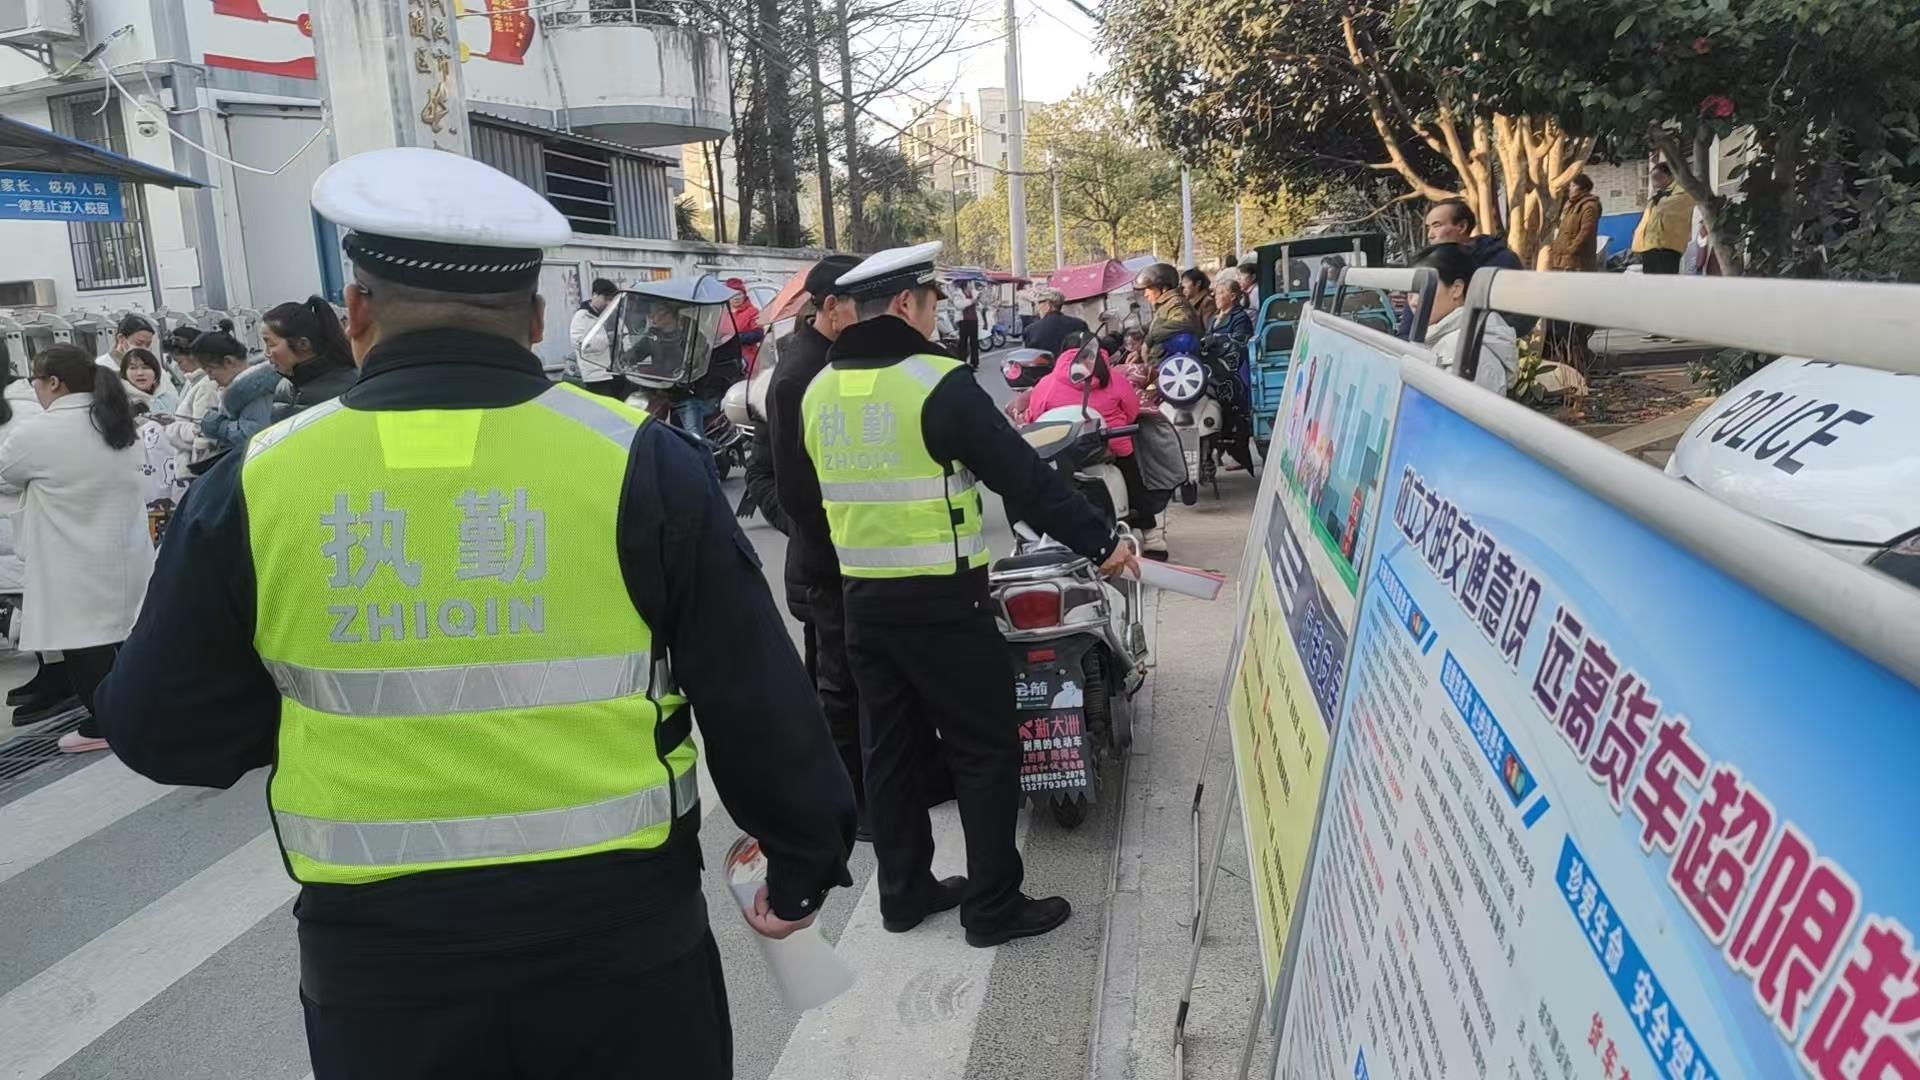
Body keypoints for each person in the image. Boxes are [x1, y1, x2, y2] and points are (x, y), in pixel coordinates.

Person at [94, 146, 855, 1080]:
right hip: (622, 942)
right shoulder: (640, 461)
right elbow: (752, 690)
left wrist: (298, 705)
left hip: (381, 966)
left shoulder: (253, 483)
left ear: (357, 312)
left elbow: (160, 731)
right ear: (535, 320)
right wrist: (802, 855)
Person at [801, 240, 1137, 947]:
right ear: (905, 303)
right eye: (932, 302)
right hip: (942, 605)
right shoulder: (936, 382)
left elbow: (811, 502)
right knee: (984, 750)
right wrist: (1101, 542)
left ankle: (904, 894)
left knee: (890, 752)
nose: (937, 315)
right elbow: (1024, 479)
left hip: (863, 601)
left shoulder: (819, 391)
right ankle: (992, 907)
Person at [0, 344, 153, 754]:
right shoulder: (116, 422)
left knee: (83, 641)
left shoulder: (38, 433)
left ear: (53, 382)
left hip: (70, 556)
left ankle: (104, 724)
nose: (33, 388)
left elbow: (5, 472)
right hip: (124, 549)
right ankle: (139, 713)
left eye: (35, 380)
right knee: (125, 637)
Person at [1020, 338, 1157, 538]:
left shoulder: (1046, 383)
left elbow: (1035, 417)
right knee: (1133, 480)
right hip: (1109, 444)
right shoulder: (1114, 378)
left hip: (1062, 450)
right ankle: (1150, 534)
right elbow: (1132, 410)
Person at [1412, 243, 1516, 395]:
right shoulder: (1436, 337)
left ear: (1456, 289)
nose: (1413, 301)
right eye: (1410, 292)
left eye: (1423, 289)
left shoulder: (1473, 354)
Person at [162, 322, 236, 475]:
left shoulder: (206, 386)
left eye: (180, 362)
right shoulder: (192, 383)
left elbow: (203, 431)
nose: (179, 367)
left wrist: (172, 429)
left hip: (200, 467)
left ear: (194, 356)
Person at [262, 296, 356, 416]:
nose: (266, 353)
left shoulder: (350, 387)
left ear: (303, 344)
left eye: (271, 344)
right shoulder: (283, 388)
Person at [198, 352, 279, 451]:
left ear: (228, 361)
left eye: (210, 371)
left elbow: (257, 436)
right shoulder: (251, 387)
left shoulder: (251, 391)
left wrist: (220, 426)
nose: (210, 378)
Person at [1424, 198, 1523, 271]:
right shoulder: (1431, 263)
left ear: (1462, 226)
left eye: (1437, 226)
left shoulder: (1501, 260)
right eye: (1428, 228)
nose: (1430, 235)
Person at [1632, 161, 1695, 275]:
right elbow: (1648, 219)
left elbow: (1667, 208)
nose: (1655, 182)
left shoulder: (1681, 192)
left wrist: (1660, 198)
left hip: (1666, 247)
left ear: (1670, 175)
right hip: (1650, 246)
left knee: (1665, 281)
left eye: (1658, 177)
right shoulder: (1657, 195)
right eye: (1653, 178)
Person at [569, 277, 625, 397]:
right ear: (594, 295)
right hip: (596, 376)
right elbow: (579, 344)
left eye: (611, 300)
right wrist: (607, 339)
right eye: (606, 299)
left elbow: (624, 335)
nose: (608, 303)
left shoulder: (611, 315)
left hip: (616, 372)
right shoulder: (582, 317)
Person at [1138, 262, 1202, 364]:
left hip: (1169, 366)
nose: (1145, 294)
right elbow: (1160, 327)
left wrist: (1150, 338)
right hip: (1159, 361)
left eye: (1149, 289)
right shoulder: (1165, 305)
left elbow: (1183, 321)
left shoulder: (1176, 303)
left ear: (1164, 288)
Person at [1550, 173, 1602, 273]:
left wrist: (1571, 250)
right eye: (1570, 186)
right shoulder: (1572, 205)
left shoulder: (1589, 207)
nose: (1570, 189)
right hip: (1563, 259)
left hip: (1577, 261)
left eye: (1574, 186)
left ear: (1584, 189)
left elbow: (1585, 233)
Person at [1020, 286, 1090, 356]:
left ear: (1048, 305)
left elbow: (1028, 357)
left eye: (1038, 303)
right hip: (1071, 362)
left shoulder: (1031, 330)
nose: (1037, 308)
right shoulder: (1079, 324)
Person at [722, 277, 766, 375]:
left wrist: (736, 338)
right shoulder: (721, 312)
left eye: (739, 294)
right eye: (733, 294)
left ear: (744, 295)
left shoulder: (752, 311)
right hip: (726, 359)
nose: (736, 297)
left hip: (747, 359)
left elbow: (758, 334)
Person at [119, 347, 177, 415]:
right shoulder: (121, 401)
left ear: (156, 372)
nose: (140, 373)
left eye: (145, 368)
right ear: (124, 373)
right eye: (133, 368)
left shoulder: (170, 398)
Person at [955, 280, 981, 369]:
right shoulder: (958, 293)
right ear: (965, 285)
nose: (972, 285)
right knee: (963, 342)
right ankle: (961, 362)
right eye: (970, 283)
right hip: (963, 320)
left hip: (974, 319)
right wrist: (971, 301)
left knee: (974, 342)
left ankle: (975, 362)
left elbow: (980, 305)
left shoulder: (974, 293)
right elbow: (958, 305)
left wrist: (977, 302)